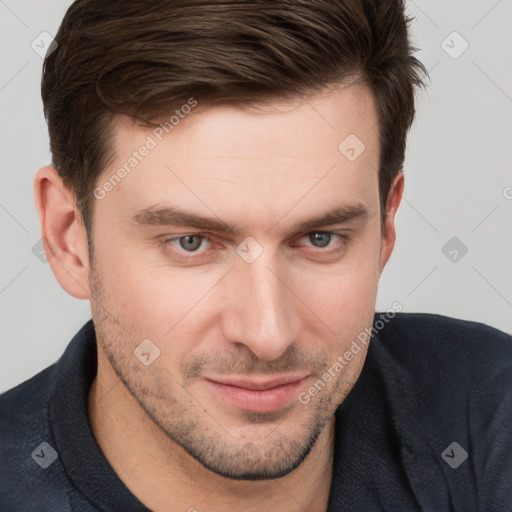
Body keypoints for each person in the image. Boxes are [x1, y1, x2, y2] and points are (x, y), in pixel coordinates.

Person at [1, 1, 511, 510]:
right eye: (192, 243)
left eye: (320, 238)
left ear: (385, 225)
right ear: (69, 238)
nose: (268, 335)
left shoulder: (491, 418)